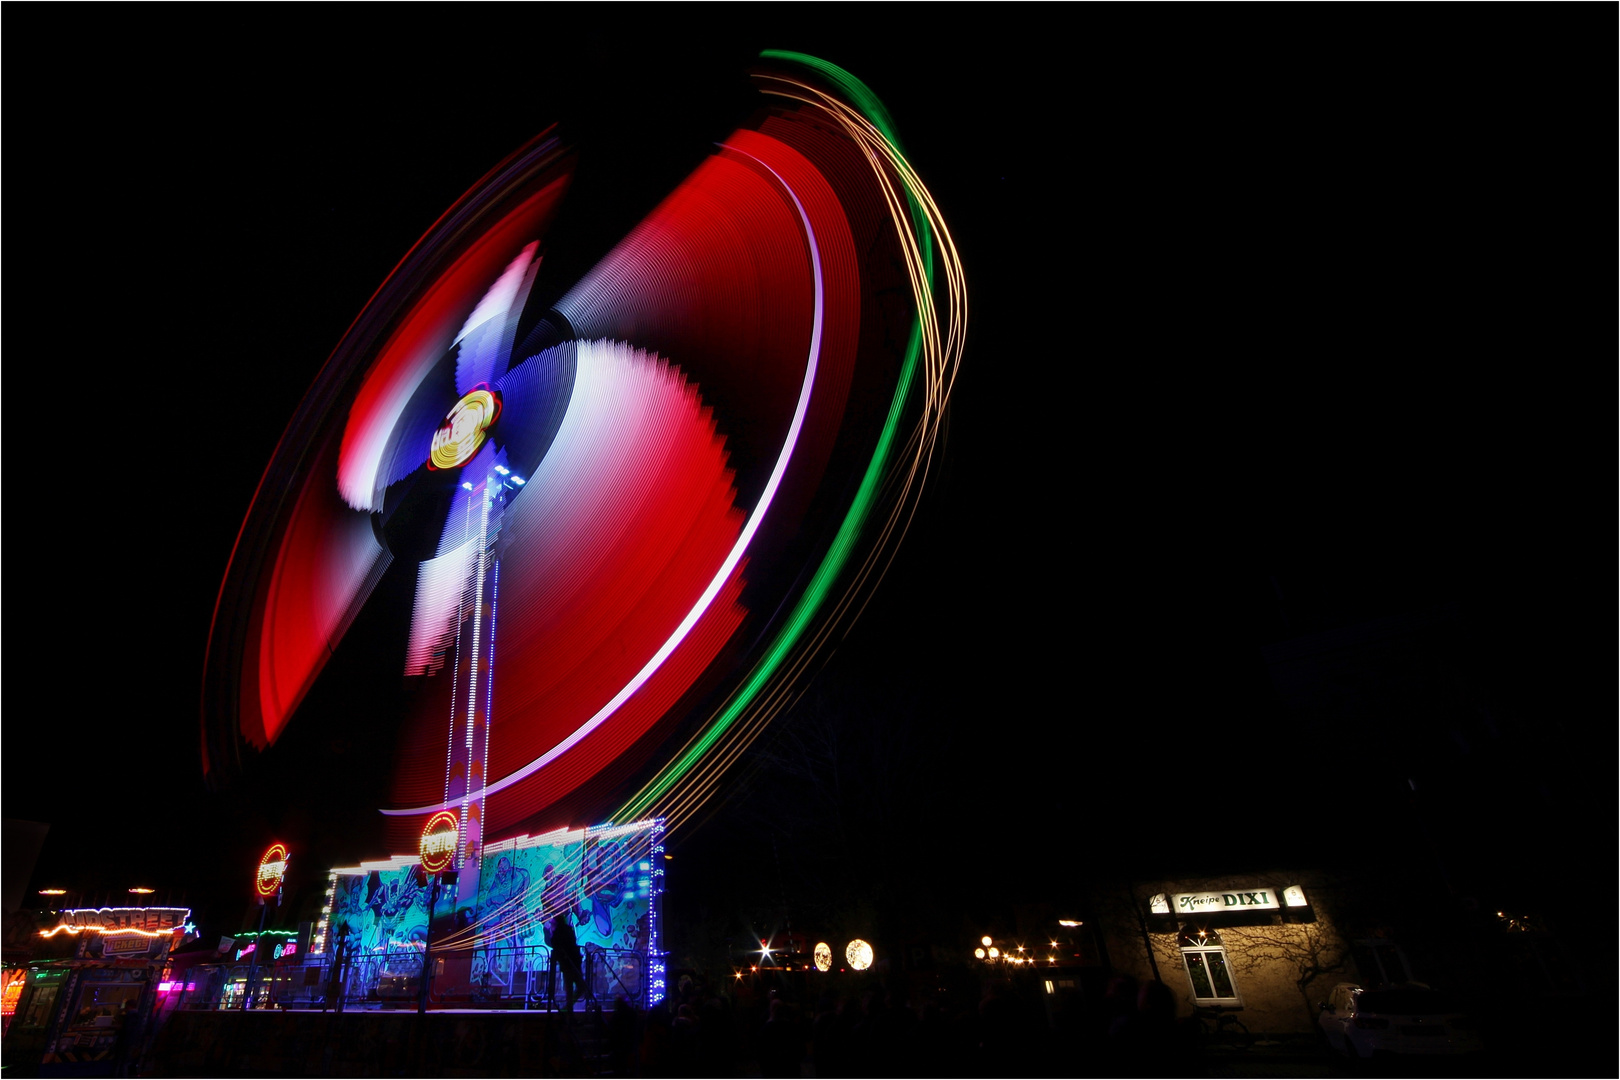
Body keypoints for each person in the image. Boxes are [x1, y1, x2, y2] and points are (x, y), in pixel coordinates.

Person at [550, 914, 585, 1013]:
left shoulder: (557, 933)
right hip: (572, 962)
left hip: (567, 963)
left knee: (571, 989)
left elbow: (555, 945)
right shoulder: (568, 930)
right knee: (579, 987)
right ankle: (568, 1010)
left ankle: (567, 1010)